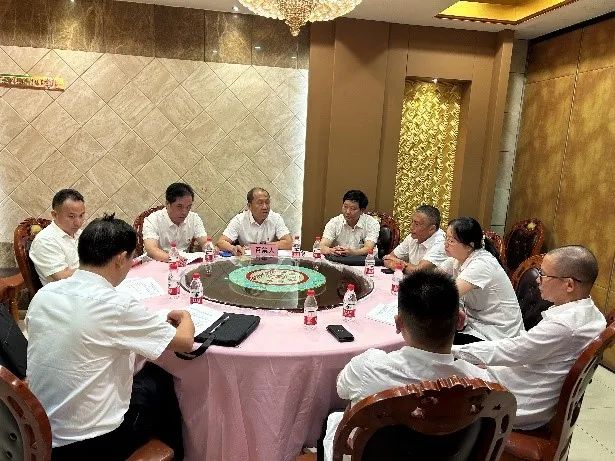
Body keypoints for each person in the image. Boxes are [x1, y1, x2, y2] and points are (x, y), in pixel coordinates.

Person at [26, 214, 195, 460]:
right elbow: (184, 342)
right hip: (91, 444)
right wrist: (186, 317)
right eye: (131, 258)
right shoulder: (117, 305)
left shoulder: (44, 295)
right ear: (120, 259)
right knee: (161, 376)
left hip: (39, 430)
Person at [321, 270, 493, 461]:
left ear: (398, 323)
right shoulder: (481, 383)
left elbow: (342, 390)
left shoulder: (368, 368)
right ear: (460, 321)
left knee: (333, 418)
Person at [454, 245, 606, 430]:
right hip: (524, 382)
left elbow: (512, 351)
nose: (538, 280)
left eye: (544, 274)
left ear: (569, 285)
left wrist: (452, 350)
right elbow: (523, 350)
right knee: (459, 365)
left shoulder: (565, 325)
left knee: (439, 375)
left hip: (520, 402)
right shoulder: (593, 314)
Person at [439, 217, 524, 343]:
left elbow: (446, 295)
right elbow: (430, 279)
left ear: (470, 246)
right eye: (446, 238)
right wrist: (459, 307)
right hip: (475, 324)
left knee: (434, 341)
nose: (446, 244)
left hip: (497, 334)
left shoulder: (482, 264)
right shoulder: (457, 259)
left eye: (451, 240)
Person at [30, 188, 86, 286]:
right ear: (55, 215)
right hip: (66, 292)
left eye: (81, 216)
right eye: (71, 216)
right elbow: (62, 276)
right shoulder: (45, 240)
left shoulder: (79, 233)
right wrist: (97, 269)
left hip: (87, 286)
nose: (78, 223)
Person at [143, 182, 208, 262]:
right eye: (179, 207)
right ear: (167, 204)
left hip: (184, 263)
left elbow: (204, 242)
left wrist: (210, 248)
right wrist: (172, 258)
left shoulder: (194, 218)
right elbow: (151, 249)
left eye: (188, 207)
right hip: (158, 263)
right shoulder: (152, 219)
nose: (184, 212)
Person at [217, 187, 292, 255]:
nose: (265, 207)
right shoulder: (239, 220)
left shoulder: (276, 218)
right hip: (247, 261)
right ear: (249, 206)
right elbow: (221, 242)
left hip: (270, 261)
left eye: (267, 202)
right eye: (260, 203)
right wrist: (233, 248)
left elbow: (289, 243)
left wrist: (259, 247)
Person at [383, 204, 447, 273]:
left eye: (417, 224)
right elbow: (388, 258)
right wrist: (396, 263)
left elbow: (418, 271)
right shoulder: (413, 236)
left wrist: (397, 264)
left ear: (431, 229)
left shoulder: (441, 243)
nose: (411, 227)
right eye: (412, 222)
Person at [320, 190, 380, 256]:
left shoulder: (372, 223)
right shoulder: (334, 222)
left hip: (364, 260)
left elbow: (368, 248)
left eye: (353, 209)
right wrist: (331, 250)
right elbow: (322, 245)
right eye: (345, 207)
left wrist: (353, 253)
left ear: (362, 210)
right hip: (340, 259)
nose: (347, 212)